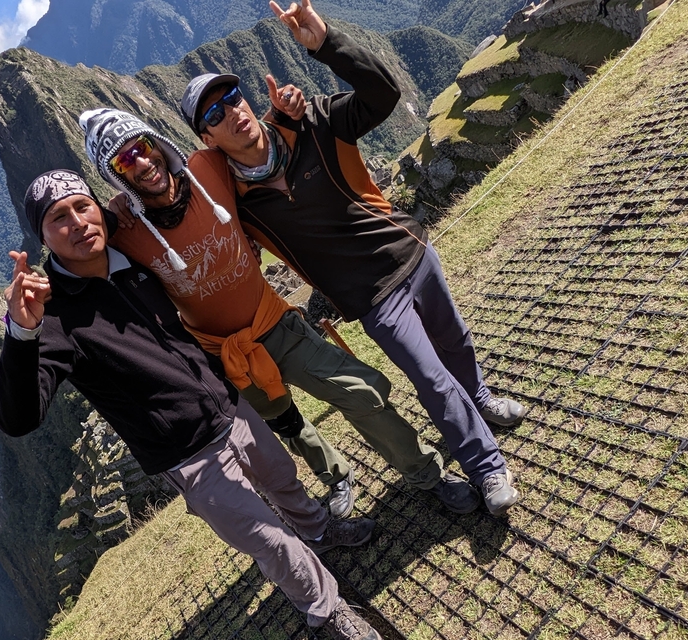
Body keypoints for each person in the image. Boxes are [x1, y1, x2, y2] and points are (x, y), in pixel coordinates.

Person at [0, 169, 382, 640]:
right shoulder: (51, 319)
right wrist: (21, 333)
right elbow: (17, 417)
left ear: (98, 209)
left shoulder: (133, 258)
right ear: (42, 235)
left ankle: (321, 531)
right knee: (266, 538)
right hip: (184, 453)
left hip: (227, 405)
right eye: (58, 218)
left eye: (82, 207)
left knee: (283, 477)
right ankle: (327, 609)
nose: (77, 223)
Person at [180, 0, 528, 516]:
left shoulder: (314, 121)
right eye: (214, 113)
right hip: (371, 298)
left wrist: (324, 42)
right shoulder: (236, 204)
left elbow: (382, 95)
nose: (232, 111)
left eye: (232, 97)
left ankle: (479, 396)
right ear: (207, 139)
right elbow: (207, 250)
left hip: (409, 250)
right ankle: (486, 466)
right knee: (430, 378)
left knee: (455, 340)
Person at [77, 106, 482, 516]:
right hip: (226, 353)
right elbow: (79, 256)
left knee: (360, 392)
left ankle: (426, 473)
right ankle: (337, 475)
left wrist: (285, 111)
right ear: (115, 175)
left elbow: (248, 138)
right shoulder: (123, 232)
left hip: (274, 323)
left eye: (143, 148)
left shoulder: (207, 170)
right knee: (287, 423)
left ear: (158, 144)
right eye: (124, 160)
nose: (143, 163)